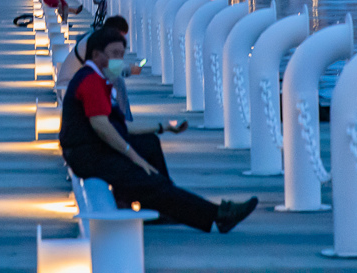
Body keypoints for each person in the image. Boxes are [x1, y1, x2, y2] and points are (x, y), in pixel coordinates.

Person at [60, 28, 258, 232]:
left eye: (121, 54)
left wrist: (162, 128)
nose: (119, 60)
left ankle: (162, 204)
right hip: (88, 156)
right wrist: (133, 156)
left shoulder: (98, 78)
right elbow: (102, 127)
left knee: (150, 143)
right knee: (148, 180)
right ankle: (217, 215)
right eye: (114, 54)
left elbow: (119, 126)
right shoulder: (91, 82)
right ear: (96, 55)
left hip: (93, 148)